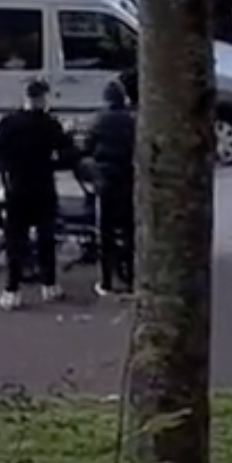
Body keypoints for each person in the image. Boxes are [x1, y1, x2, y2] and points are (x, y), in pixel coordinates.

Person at [0, 78, 74, 309]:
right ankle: (49, 285)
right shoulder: (50, 124)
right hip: (43, 186)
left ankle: (12, 289)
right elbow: (68, 152)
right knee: (46, 238)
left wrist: (5, 164)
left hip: (16, 186)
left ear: (25, 97)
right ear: (43, 98)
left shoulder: (8, 123)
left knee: (15, 240)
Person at [87, 75, 136, 297]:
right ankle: (131, 278)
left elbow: (88, 146)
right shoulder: (131, 120)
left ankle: (106, 280)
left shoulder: (99, 120)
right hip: (127, 176)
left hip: (106, 179)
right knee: (129, 229)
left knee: (105, 231)